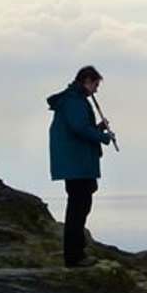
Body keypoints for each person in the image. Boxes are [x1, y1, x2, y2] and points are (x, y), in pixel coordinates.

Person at [46, 65, 113, 268]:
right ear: (86, 81)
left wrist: (97, 128)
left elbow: (80, 127)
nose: (96, 90)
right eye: (95, 84)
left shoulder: (73, 100)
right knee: (78, 208)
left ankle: (76, 254)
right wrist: (103, 136)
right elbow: (78, 128)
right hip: (77, 164)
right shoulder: (74, 101)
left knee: (80, 206)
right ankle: (75, 257)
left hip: (77, 163)